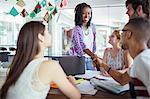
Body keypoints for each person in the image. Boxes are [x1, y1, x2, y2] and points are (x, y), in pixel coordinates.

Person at [0, 21, 81, 99]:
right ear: (40, 37)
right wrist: (73, 83)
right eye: (48, 32)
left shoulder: (17, 67)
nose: (50, 35)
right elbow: (76, 96)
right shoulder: (50, 66)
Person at [93, 17, 150, 97]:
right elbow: (122, 79)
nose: (121, 35)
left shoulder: (143, 60)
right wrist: (103, 64)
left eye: (122, 32)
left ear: (128, 34)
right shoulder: (139, 61)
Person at [69, 3, 97, 70]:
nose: (86, 16)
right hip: (80, 59)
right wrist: (93, 56)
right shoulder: (77, 29)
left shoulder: (93, 27)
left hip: (90, 58)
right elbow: (82, 45)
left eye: (89, 13)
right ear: (79, 15)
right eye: (83, 13)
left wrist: (93, 56)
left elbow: (94, 42)